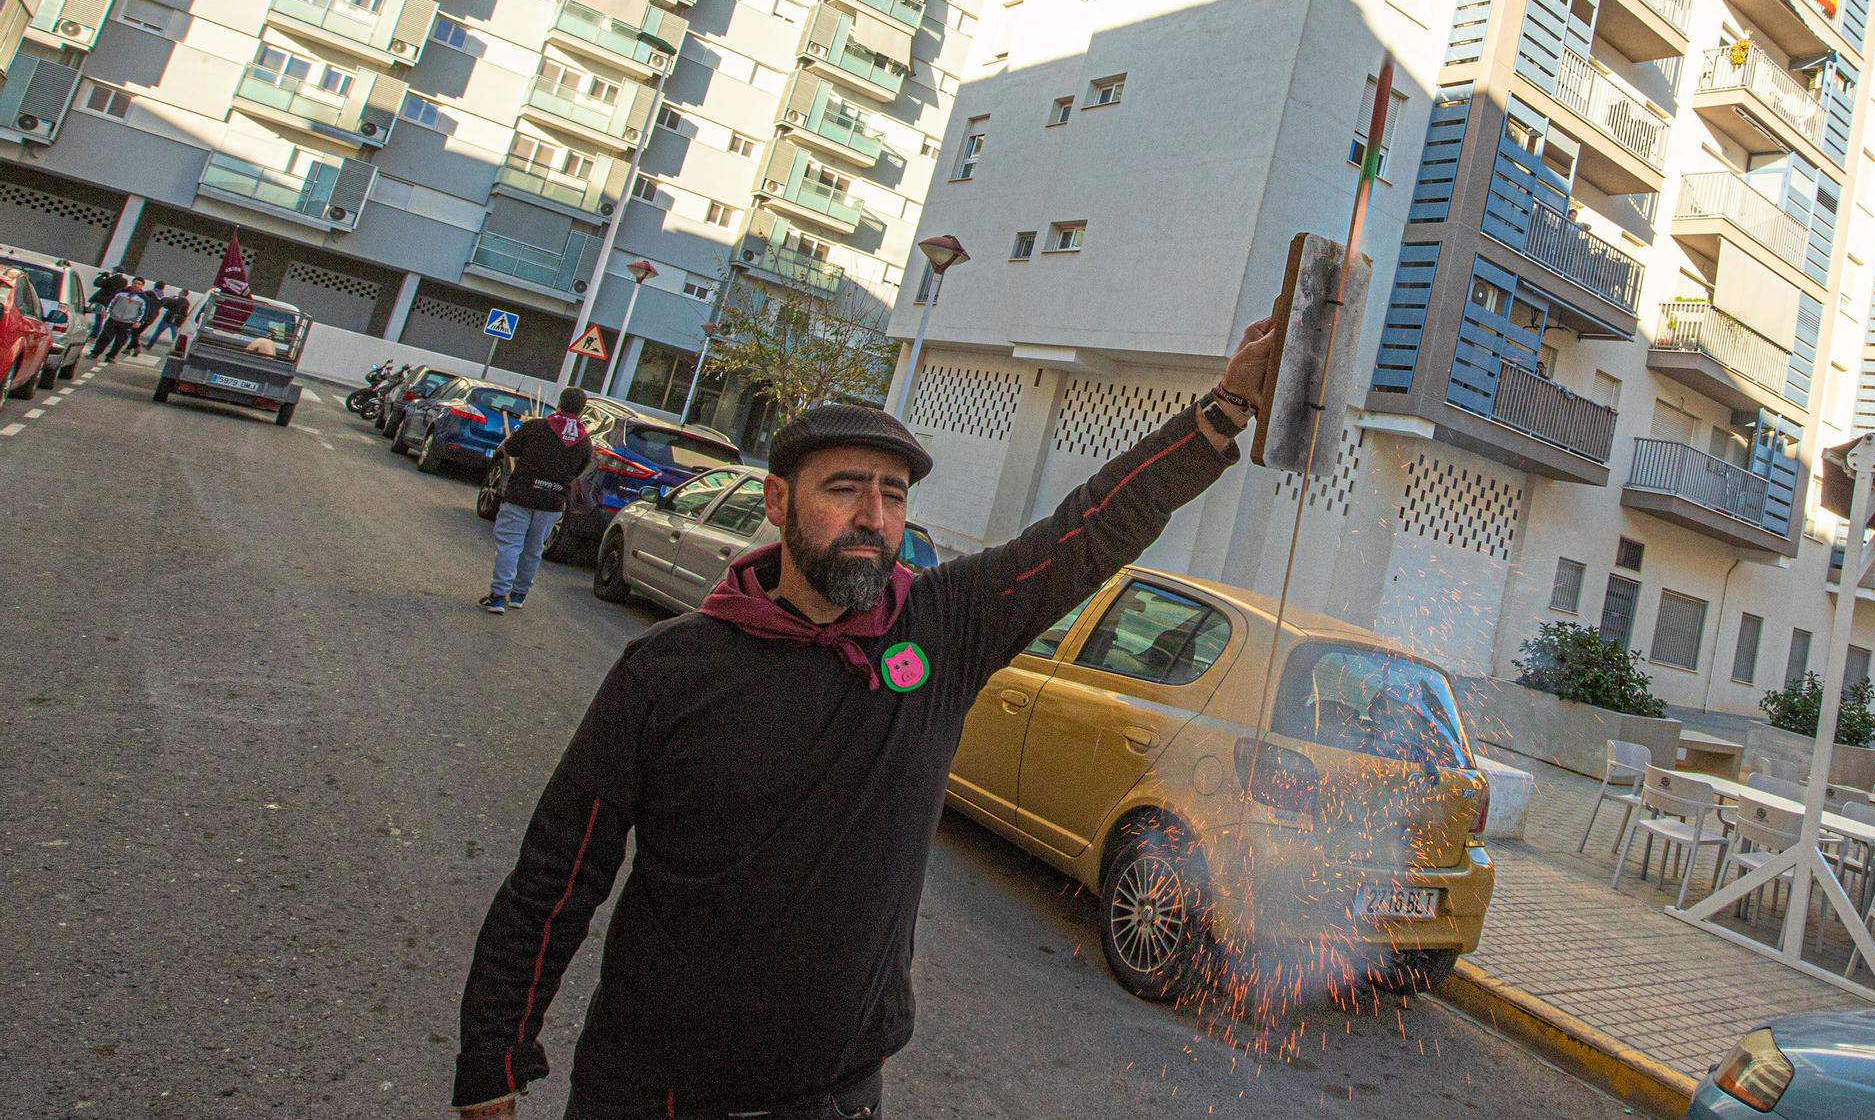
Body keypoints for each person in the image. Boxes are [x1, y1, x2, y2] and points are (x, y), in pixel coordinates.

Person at [449, 316, 1276, 1120]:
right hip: (652, 1093)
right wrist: (492, 1058)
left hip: (837, 1094)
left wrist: (1221, 412)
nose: (874, 516)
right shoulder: (669, 669)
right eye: (844, 488)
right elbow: (555, 879)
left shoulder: (942, 629)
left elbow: (1087, 531)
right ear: (777, 500)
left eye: (892, 494)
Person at [479, 386, 595, 614]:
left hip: (521, 494)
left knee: (510, 545)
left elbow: (511, 448)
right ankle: (519, 595)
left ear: (560, 404)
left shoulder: (537, 426)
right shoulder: (584, 441)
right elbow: (580, 470)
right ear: (581, 411)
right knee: (533, 550)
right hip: (552, 502)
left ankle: (498, 596)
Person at [88, 281, 148, 360]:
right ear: (132, 283)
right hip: (114, 319)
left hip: (128, 322)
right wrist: (106, 311)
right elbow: (111, 302)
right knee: (105, 337)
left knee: (120, 342)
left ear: (142, 286)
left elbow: (144, 311)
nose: (136, 285)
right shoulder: (122, 292)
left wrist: (139, 322)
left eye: (139, 284)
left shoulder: (143, 298)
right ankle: (95, 353)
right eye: (135, 283)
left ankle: (111, 356)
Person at [86, 267, 129, 339]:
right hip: (111, 301)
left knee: (98, 318)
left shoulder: (111, 279)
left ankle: (94, 335)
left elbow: (97, 283)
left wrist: (102, 276)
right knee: (100, 318)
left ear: (116, 271)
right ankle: (95, 334)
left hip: (101, 300)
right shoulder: (124, 281)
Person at [126, 279, 163, 357]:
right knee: (137, 333)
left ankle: (136, 347)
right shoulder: (162, 296)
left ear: (155, 285)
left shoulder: (149, 293)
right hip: (152, 317)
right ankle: (128, 349)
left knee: (134, 333)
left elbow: (140, 300)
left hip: (144, 316)